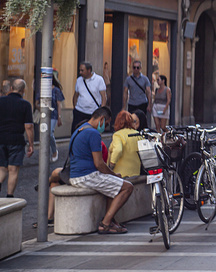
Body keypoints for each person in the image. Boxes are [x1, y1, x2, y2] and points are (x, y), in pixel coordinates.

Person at [68, 106, 133, 234]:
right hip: (86, 176)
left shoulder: (79, 129)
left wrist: (112, 177)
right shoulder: (93, 133)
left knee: (113, 185)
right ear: (102, 119)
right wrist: (114, 175)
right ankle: (105, 223)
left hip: (76, 175)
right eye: (106, 124)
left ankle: (111, 219)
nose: (105, 128)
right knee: (127, 187)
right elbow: (99, 164)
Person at [0, 79, 34, 197]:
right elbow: (28, 126)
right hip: (16, 140)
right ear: (23, 90)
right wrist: (31, 144)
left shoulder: (1, 101)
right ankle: (9, 197)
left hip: (1, 139)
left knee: (2, 168)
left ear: (11, 89)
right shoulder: (25, 104)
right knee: (13, 170)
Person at [35, 75, 65, 162]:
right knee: (44, 134)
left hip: (53, 115)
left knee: (49, 133)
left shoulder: (56, 90)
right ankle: (45, 154)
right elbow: (36, 102)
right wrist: (39, 107)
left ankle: (54, 151)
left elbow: (59, 104)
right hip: (43, 115)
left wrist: (59, 117)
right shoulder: (42, 90)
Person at [72, 62, 107, 131]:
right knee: (75, 131)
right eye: (80, 70)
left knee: (91, 132)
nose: (80, 72)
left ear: (89, 70)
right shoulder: (79, 80)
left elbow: (104, 97)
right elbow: (76, 95)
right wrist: (75, 108)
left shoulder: (99, 80)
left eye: (82, 70)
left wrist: (101, 111)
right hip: (80, 111)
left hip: (93, 112)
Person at [108, 111, 142, 178]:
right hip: (136, 172)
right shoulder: (138, 134)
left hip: (120, 174)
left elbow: (118, 150)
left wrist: (111, 165)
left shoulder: (118, 135)